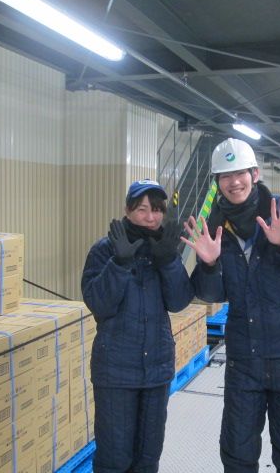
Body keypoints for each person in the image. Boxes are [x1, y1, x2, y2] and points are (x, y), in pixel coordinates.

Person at [183, 138, 280, 473]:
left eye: (240, 173)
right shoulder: (216, 226)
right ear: (217, 182)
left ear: (254, 174)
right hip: (244, 357)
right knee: (237, 448)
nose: (234, 182)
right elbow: (211, 294)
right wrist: (208, 265)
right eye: (225, 175)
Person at [82, 179, 194, 473]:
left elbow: (179, 301)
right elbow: (99, 304)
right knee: (114, 459)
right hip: (116, 372)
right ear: (127, 210)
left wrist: (168, 260)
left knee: (147, 458)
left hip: (156, 370)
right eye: (142, 209)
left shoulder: (164, 249)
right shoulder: (104, 250)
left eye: (156, 209)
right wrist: (119, 264)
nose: (150, 217)